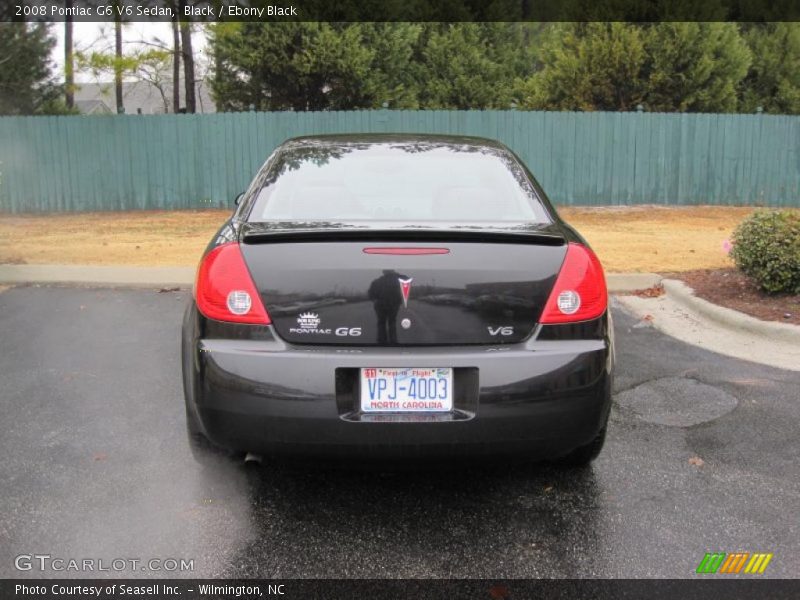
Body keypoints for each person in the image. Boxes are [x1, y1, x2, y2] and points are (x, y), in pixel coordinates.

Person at [367, 269, 408, 344]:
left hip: (380, 305)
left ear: (384, 272)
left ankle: (382, 341)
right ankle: (393, 340)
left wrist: (375, 300)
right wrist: (396, 274)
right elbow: (407, 279)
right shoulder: (397, 279)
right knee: (392, 322)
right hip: (393, 304)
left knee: (381, 322)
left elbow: (370, 294)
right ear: (392, 271)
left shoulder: (377, 281)